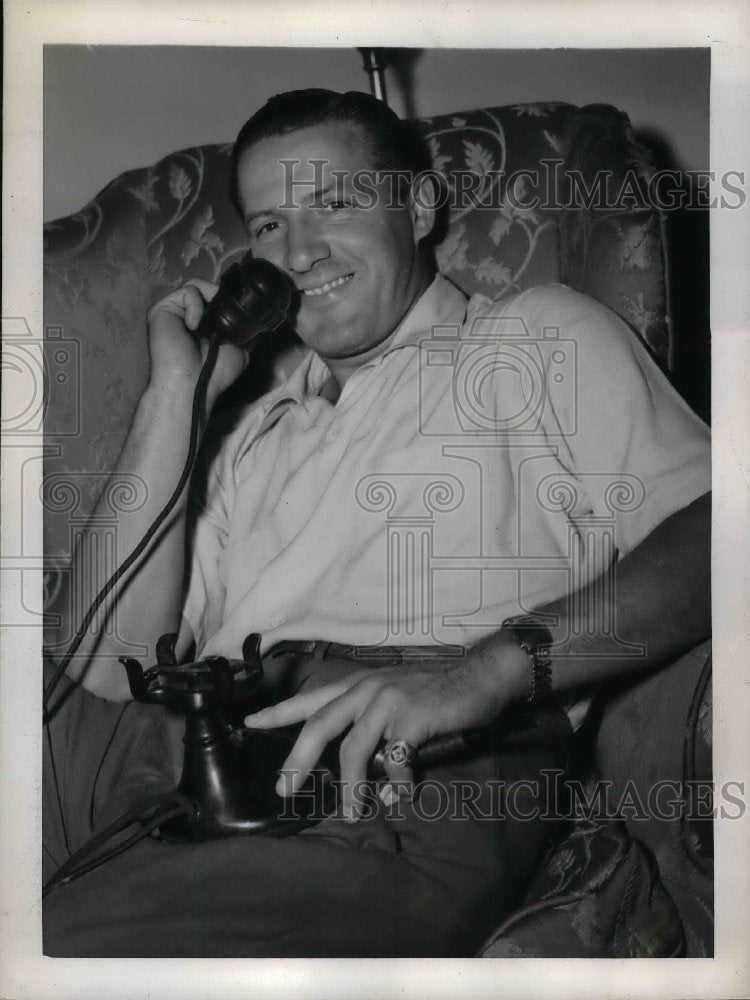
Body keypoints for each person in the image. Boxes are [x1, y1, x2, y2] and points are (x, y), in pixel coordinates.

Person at [42, 89, 711, 956]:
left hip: (392, 757)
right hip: (191, 740)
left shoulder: (537, 338)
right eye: (271, 225)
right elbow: (95, 677)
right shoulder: (246, 432)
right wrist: (176, 395)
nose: (301, 252)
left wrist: (483, 672)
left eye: (336, 204)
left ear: (419, 208)